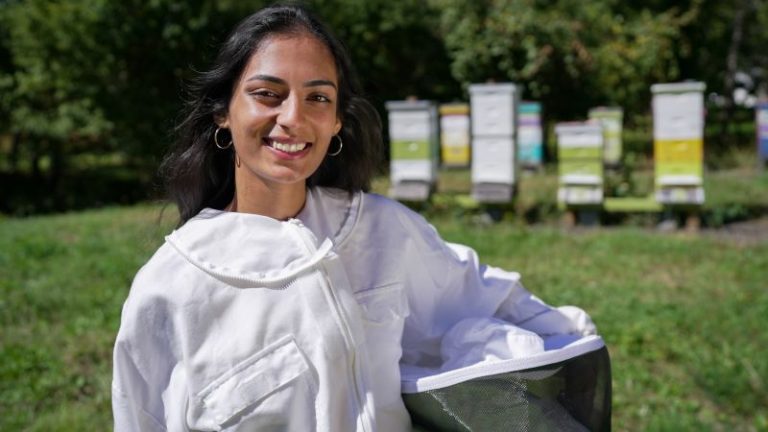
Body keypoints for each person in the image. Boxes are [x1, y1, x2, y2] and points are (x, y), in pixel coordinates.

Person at [112, 4, 599, 431]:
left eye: (318, 97)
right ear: (223, 111)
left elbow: (491, 302)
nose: (294, 117)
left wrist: (571, 351)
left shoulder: (383, 231)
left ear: (338, 121)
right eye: (267, 93)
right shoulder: (170, 289)